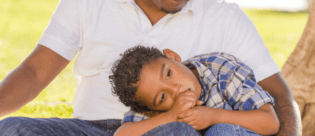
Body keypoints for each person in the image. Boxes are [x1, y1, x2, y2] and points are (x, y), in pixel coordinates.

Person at [0, 0, 301, 135]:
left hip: (170, 132)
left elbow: (279, 95)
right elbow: (34, 72)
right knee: (12, 129)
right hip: (90, 128)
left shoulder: (224, 16)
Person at [109, 45, 280, 136]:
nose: (174, 89)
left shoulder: (220, 69)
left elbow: (271, 122)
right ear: (151, 111)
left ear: (173, 56)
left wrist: (213, 116)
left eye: (168, 74)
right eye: (162, 97)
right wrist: (172, 115)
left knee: (221, 131)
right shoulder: (149, 101)